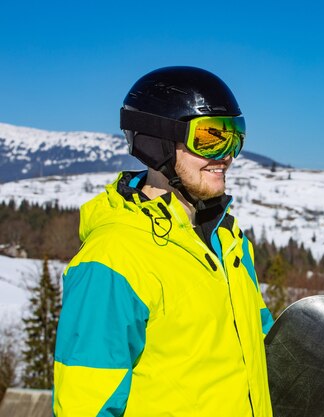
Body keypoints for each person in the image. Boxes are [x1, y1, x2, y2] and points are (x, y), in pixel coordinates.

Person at [53, 66, 274, 416]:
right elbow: (85, 405)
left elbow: (262, 354)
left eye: (235, 136)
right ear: (158, 141)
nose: (227, 155)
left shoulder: (230, 243)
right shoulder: (113, 258)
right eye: (211, 138)